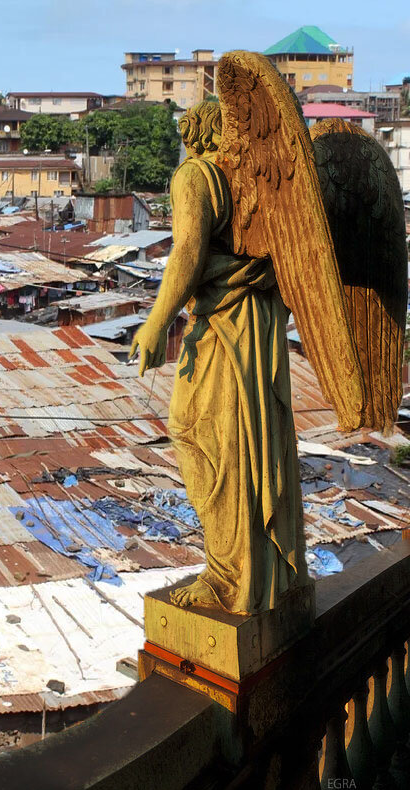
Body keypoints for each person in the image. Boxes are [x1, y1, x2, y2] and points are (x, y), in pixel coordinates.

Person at [129, 100, 305, 614]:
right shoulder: (257, 185)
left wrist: (157, 322)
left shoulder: (196, 175)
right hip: (253, 322)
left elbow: (187, 252)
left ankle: (230, 575)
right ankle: (260, 570)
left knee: (203, 434)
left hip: (226, 330)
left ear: (197, 133)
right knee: (246, 441)